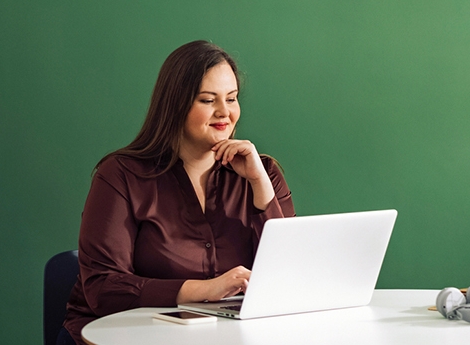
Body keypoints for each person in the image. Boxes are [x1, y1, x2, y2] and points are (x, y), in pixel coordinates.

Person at [59, 40, 296, 345]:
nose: (225, 112)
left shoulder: (262, 172)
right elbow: (103, 288)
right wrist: (205, 289)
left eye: (232, 98)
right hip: (119, 336)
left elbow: (289, 280)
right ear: (176, 103)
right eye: (208, 100)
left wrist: (260, 186)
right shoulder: (120, 175)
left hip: (226, 336)